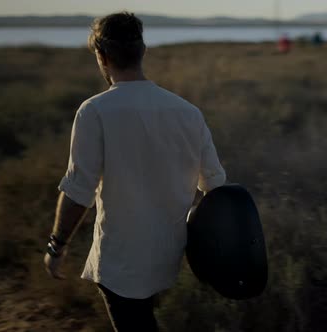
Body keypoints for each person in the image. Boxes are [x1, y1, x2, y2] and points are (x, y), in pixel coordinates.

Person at [43, 12, 226, 331]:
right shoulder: (188, 113)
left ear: (101, 56)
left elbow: (77, 193)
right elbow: (216, 187)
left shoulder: (95, 111)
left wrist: (56, 246)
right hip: (168, 259)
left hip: (120, 265)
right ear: (143, 51)